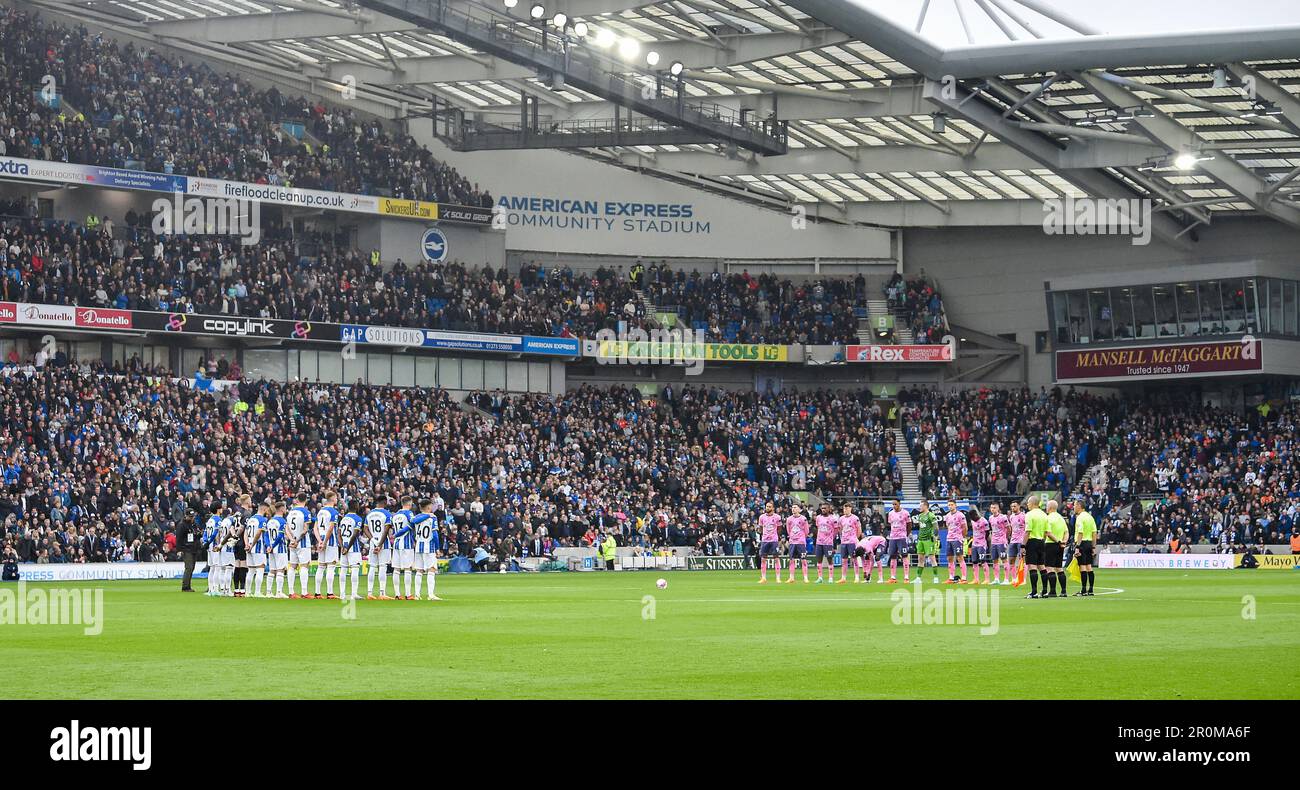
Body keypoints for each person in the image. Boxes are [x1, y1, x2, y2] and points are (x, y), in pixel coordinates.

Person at [314, 491, 341, 599]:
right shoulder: (333, 512)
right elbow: (330, 528)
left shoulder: (320, 511)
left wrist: (319, 541)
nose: (337, 500)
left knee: (321, 566)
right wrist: (324, 542)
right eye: (336, 498)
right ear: (333, 498)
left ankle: (317, 592)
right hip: (330, 541)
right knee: (331, 566)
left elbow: (315, 527)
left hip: (320, 539)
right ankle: (330, 593)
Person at [286, 496, 313, 599]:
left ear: (297, 500)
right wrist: (297, 540)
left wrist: (292, 540)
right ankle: (304, 592)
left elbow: (287, 528)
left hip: (292, 543)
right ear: (305, 500)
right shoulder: (305, 512)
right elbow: (305, 529)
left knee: (292, 566)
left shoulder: (290, 512)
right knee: (304, 566)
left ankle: (291, 592)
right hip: (302, 543)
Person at [366, 498, 393, 599]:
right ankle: (382, 593)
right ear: (385, 503)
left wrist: (373, 540)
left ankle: (369, 593)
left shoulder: (370, 513)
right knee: (382, 566)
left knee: (372, 567)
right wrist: (380, 544)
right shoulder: (387, 514)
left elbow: (365, 528)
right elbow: (386, 530)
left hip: (373, 542)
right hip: (383, 543)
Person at [1023, 495, 1049, 599]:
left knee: (1032, 566)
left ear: (1033, 503)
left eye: (1028, 503)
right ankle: (1045, 591)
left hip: (1032, 541)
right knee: (1042, 566)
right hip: (1041, 541)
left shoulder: (1029, 514)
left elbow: (1027, 531)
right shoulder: (1044, 515)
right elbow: (1046, 532)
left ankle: (1034, 592)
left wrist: (1022, 545)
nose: (1027, 505)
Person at [337, 507, 365, 601]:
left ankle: (342, 594)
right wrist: (348, 548)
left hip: (343, 547)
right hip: (353, 548)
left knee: (343, 570)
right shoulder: (358, 519)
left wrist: (342, 547)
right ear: (356, 507)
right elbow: (354, 535)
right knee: (355, 569)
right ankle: (354, 594)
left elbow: (339, 534)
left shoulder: (343, 518)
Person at [1073, 499, 1097, 596]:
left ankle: (1083, 590)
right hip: (1089, 543)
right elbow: (1094, 533)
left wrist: (1077, 546)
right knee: (1089, 567)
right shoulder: (1090, 517)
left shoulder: (1080, 518)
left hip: (1082, 543)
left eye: (1074, 505)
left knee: (1082, 566)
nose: (1074, 507)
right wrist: (1093, 547)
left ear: (1079, 506)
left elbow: (1080, 532)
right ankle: (1090, 589)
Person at [1045, 499, 1069, 597]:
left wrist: (1058, 541)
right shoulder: (1061, 518)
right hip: (1060, 546)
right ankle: (1063, 591)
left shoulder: (1048, 518)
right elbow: (1066, 532)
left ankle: (1053, 591)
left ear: (1050, 507)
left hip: (1051, 544)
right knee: (1059, 568)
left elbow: (1048, 533)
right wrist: (1064, 542)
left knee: (1049, 567)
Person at [265, 501, 290, 599]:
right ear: (282, 508)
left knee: (272, 570)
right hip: (279, 548)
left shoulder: (270, 521)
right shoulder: (282, 521)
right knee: (280, 569)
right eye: (285, 507)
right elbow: (280, 536)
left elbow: (266, 535)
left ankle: (268, 592)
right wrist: (273, 545)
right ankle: (279, 592)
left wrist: (268, 546)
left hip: (271, 549)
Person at [914, 499, 941, 584]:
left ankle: (936, 578)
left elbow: (936, 527)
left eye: (921, 506)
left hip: (928, 540)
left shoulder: (931, 515)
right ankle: (918, 578)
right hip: (921, 540)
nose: (919, 507)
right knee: (920, 559)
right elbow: (921, 527)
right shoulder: (920, 516)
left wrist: (935, 537)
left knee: (932, 558)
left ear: (925, 506)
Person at [886, 498, 911, 583]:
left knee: (904, 556)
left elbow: (909, 525)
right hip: (893, 538)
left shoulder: (905, 513)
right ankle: (893, 577)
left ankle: (906, 577)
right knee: (893, 556)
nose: (894, 506)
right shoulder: (890, 513)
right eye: (893, 504)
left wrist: (905, 535)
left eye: (895, 504)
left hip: (901, 538)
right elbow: (890, 524)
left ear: (899, 504)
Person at [943, 498, 968, 584]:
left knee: (959, 557)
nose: (950, 506)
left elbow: (965, 527)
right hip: (949, 539)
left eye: (952, 505)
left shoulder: (960, 515)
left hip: (957, 539)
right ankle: (951, 577)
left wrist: (962, 537)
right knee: (949, 558)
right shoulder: (947, 516)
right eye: (949, 505)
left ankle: (964, 578)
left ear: (955, 505)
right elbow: (948, 527)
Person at [177, 506, 202, 592]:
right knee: (189, 567)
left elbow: (196, 534)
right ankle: (185, 587)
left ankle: (188, 585)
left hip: (194, 548)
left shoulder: (194, 524)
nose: (192, 518)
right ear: (186, 516)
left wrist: (199, 534)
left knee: (192, 567)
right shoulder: (181, 525)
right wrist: (179, 550)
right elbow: (179, 538)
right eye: (190, 517)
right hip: (186, 549)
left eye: (193, 516)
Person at [756, 502, 782, 584]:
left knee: (776, 558)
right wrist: (764, 534)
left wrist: (776, 536)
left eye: (769, 507)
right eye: (767, 506)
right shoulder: (762, 517)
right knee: (763, 559)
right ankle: (763, 578)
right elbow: (760, 528)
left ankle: (778, 578)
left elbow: (780, 528)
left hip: (774, 540)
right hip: (765, 540)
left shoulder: (777, 517)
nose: (767, 508)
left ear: (773, 508)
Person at [784, 504, 810, 584]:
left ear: (799, 509)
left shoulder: (803, 519)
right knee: (791, 560)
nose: (793, 509)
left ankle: (805, 578)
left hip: (801, 542)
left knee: (803, 560)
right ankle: (791, 577)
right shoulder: (789, 519)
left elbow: (807, 531)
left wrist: (801, 537)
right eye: (792, 507)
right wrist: (792, 537)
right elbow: (788, 530)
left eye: (795, 507)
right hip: (792, 542)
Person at [837, 502, 861, 583]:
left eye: (847, 508)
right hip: (844, 542)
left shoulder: (855, 518)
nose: (845, 510)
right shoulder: (841, 519)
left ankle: (857, 577)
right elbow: (840, 529)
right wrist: (842, 537)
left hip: (852, 542)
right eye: (844, 508)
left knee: (854, 559)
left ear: (850, 508)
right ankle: (843, 578)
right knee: (844, 560)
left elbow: (859, 530)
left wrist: (855, 538)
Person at [987, 502, 1011, 585]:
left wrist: (1006, 538)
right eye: (991, 508)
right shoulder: (990, 518)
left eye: (994, 508)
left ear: (998, 509)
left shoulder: (1003, 517)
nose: (992, 509)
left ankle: (1006, 579)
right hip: (994, 542)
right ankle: (996, 579)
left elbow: (1008, 528)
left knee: (1004, 560)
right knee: (995, 560)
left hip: (1001, 542)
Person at [812, 503, 836, 583]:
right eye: (822, 508)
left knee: (829, 559)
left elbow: (836, 530)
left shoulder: (833, 519)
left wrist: (832, 539)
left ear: (829, 509)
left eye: (825, 508)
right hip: (819, 542)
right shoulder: (818, 517)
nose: (823, 510)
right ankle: (820, 578)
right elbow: (818, 527)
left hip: (828, 543)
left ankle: (831, 578)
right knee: (819, 560)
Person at [968, 507, 990, 585]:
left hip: (981, 544)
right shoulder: (972, 521)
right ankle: (976, 579)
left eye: (973, 517)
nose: (972, 519)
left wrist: (983, 540)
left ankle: (987, 579)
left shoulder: (984, 521)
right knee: (974, 562)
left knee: (983, 561)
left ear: (976, 515)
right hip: (974, 544)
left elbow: (987, 532)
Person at [1008, 500, 1027, 586]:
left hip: (1021, 541)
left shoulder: (1024, 516)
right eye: (1012, 506)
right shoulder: (1011, 517)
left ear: (1019, 506)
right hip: (1013, 541)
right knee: (1011, 560)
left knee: (1022, 560)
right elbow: (1012, 528)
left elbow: (1027, 529)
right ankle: (1014, 578)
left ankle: (1022, 579)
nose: (1013, 508)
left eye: (1015, 506)